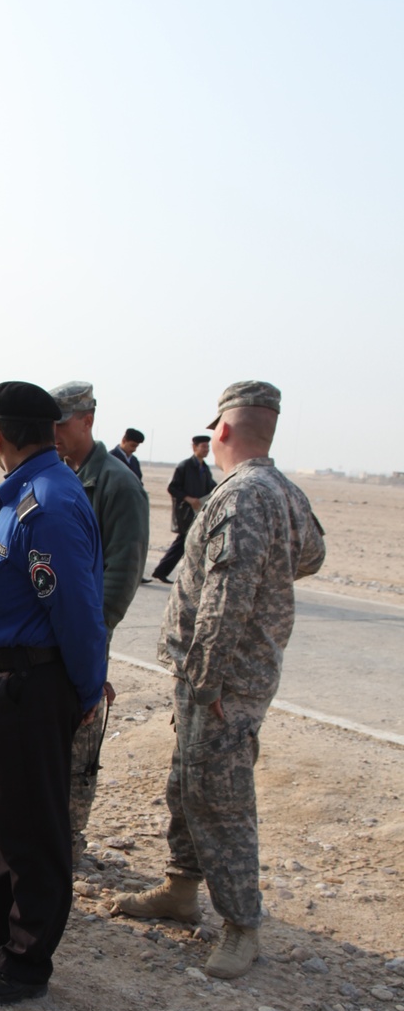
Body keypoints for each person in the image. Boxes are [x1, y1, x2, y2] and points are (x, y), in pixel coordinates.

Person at [113, 382, 325, 979]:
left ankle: (241, 925)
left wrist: (206, 686)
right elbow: (311, 554)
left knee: (221, 800)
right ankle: (181, 889)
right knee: (187, 783)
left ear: (223, 430)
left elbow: (224, 601)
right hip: (227, 676)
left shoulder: (244, 495)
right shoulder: (282, 489)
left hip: (224, 683)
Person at [0, 382, 106, 1006]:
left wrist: (87, 688)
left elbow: (78, 611)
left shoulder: (48, 504)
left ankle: (28, 960)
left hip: (35, 682)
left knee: (35, 824)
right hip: (7, 680)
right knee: (10, 815)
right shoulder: (27, 495)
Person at [51, 382, 149, 860]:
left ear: (87, 420)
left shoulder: (115, 483)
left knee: (79, 740)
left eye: (62, 423)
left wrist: (93, 638)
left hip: (85, 637)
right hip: (53, 636)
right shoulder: (60, 473)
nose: (54, 433)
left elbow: (122, 571)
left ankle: (68, 841)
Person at [151, 435, 216, 582]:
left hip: (198, 511)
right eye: (203, 447)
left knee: (188, 542)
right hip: (185, 512)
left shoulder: (204, 468)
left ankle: (163, 571)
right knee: (183, 542)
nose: (206, 450)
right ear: (194, 447)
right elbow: (172, 487)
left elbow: (211, 487)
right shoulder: (184, 466)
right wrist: (188, 498)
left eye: (208, 447)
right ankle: (162, 571)